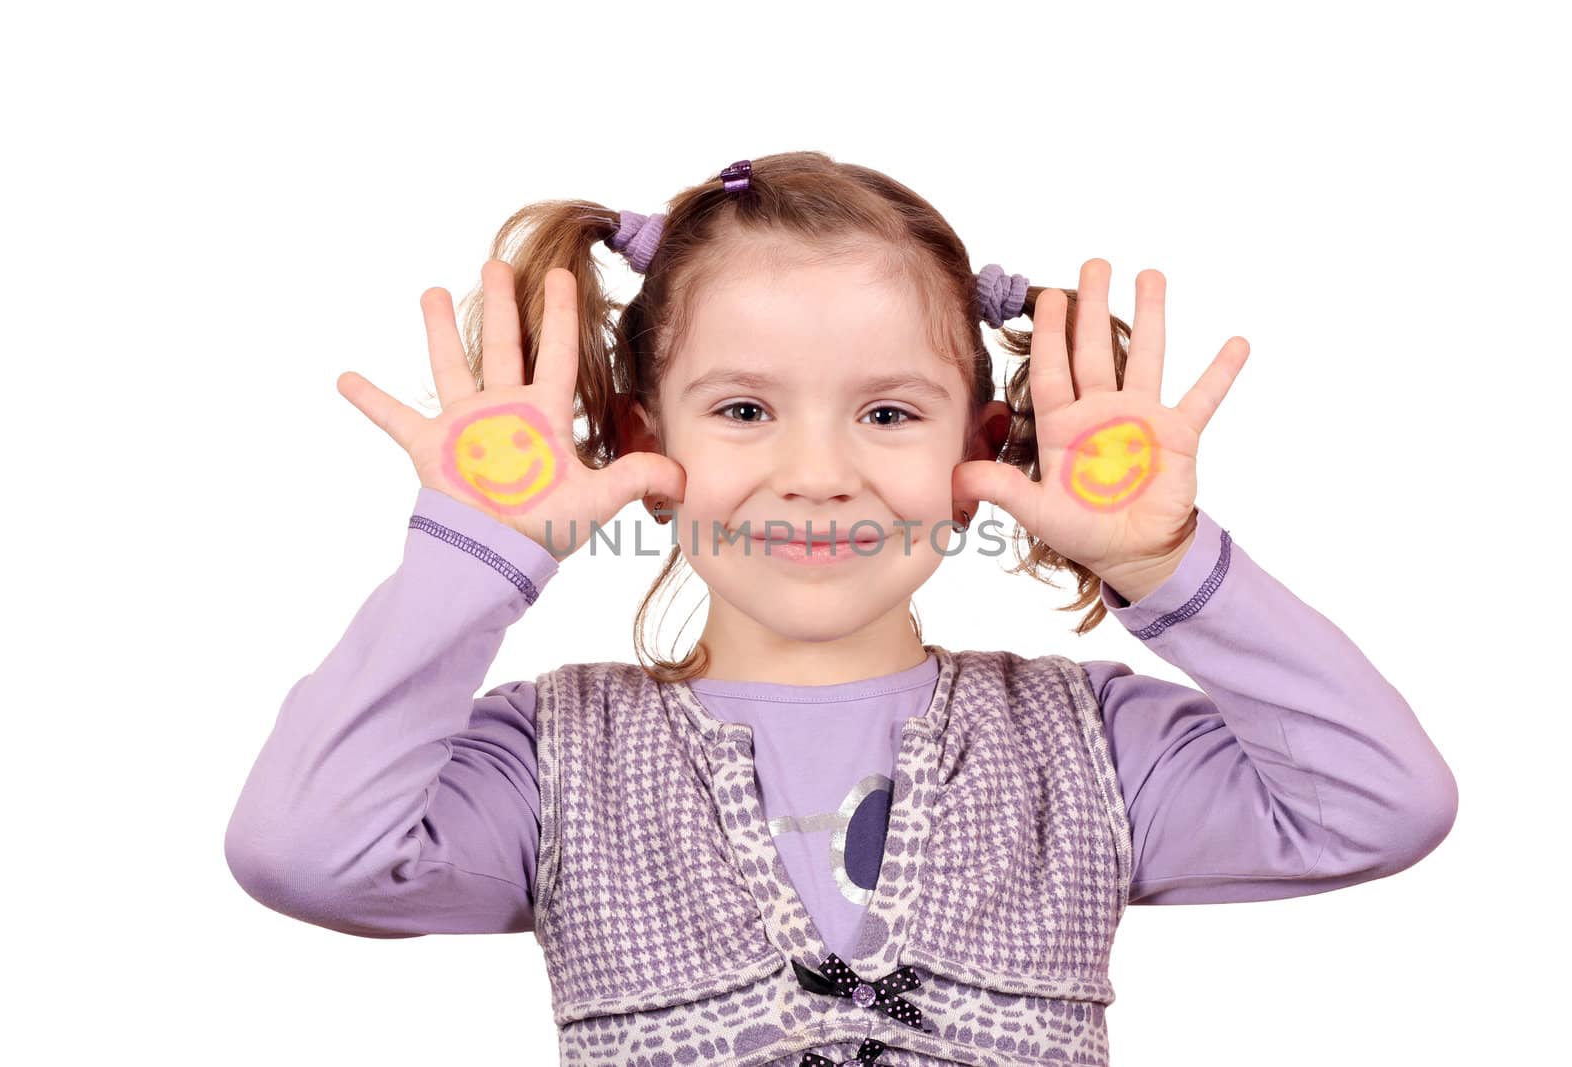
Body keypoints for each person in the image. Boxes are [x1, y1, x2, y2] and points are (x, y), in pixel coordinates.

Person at [224, 152, 1458, 1067]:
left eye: (887, 411)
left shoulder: (1091, 748)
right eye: (745, 410)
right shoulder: (551, 764)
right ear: (647, 446)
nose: (818, 471)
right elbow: (305, 852)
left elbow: (1379, 802)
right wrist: (475, 556)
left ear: (979, 448)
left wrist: (1166, 559)